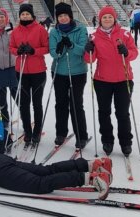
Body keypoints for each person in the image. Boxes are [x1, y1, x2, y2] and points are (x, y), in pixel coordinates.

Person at [83, 6, 139, 157]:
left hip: (124, 79)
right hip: (102, 80)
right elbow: (89, 60)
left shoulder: (124, 34)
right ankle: (107, 140)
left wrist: (127, 53)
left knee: (122, 113)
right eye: (104, 17)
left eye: (110, 17)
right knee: (104, 112)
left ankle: (126, 142)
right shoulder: (94, 37)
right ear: (100, 19)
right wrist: (89, 50)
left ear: (114, 19)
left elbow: (134, 53)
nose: (107, 19)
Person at [49, 2, 90, 149]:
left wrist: (71, 45)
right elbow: (54, 53)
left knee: (75, 104)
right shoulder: (54, 32)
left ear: (70, 16)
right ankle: (61, 133)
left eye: (65, 15)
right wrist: (60, 48)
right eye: (60, 16)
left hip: (77, 72)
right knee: (60, 103)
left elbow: (83, 51)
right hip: (59, 72)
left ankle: (81, 135)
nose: (63, 18)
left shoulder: (81, 29)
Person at [9, 3, 49, 147]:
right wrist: (17, 51)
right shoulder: (15, 31)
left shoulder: (40, 29)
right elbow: (11, 47)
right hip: (21, 71)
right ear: (19, 16)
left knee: (37, 103)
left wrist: (34, 51)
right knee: (24, 104)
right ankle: (28, 131)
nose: (25, 16)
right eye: (22, 14)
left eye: (27, 14)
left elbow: (47, 48)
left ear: (32, 15)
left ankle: (37, 131)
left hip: (38, 71)